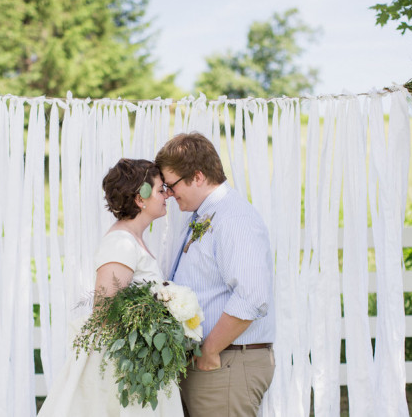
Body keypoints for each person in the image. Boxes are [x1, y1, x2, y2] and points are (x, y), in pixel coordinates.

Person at [37, 158, 184, 417]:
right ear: (141, 199)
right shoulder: (121, 243)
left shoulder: (134, 240)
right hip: (126, 372)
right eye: (162, 190)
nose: (167, 195)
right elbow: (106, 313)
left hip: (142, 365)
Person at [155, 132, 276, 417]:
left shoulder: (233, 218)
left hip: (228, 361)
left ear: (197, 177)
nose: (169, 195)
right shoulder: (206, 215)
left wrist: (209, 351)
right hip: (218, 361)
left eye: (171, 186)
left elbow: (252, 297)